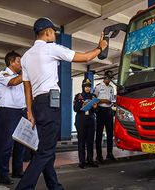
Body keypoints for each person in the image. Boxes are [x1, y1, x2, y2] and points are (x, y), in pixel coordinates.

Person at [16, 17, 108, 190]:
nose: (55, 36)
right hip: (50, 103)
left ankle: (54, 186)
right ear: (48, 32)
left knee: (45, 148)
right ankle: (24, 187)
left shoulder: (26, 57)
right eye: (54, 32)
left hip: (37, 104)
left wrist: (30, 111)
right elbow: (85, 57)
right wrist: (100, 47)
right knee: (45, 151)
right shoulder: (51, 48)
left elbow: (26, 87)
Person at [0, 51, 26, 184]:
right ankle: (2, 174)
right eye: (19, 61)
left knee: (21, 144)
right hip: (8, 112)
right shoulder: (3, 74)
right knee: (7, 145)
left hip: (21, 111)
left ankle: (17, 171)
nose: (21, 64)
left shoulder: (20, 75)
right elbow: (13, 82)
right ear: (11, 62)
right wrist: (28, 71)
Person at [74, 79, 99, 169]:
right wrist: (82, 105)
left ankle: (90, 160)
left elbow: (96, 111)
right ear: (83, 87)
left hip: (91, 120)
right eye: (86, 86)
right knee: (81, 142)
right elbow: (75, 109)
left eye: (89, 86)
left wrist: (95, 107)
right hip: (81, 121)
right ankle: (82, 161)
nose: (87, 88)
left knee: (90, 141)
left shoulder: (93, 96)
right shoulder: (78, 96)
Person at [94, 70, 116, 163]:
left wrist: (111, 102)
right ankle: (99, 156)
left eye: (110, 78)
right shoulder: (98, 86)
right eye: (108, 78)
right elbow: (94, 99)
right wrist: (103, 101)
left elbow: (112, 100)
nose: (109, 80)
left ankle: (109, 153)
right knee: (99, 134)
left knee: (110, 134)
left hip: (109, 111)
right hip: (101, 111)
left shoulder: (111, 88)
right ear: (105, 77)